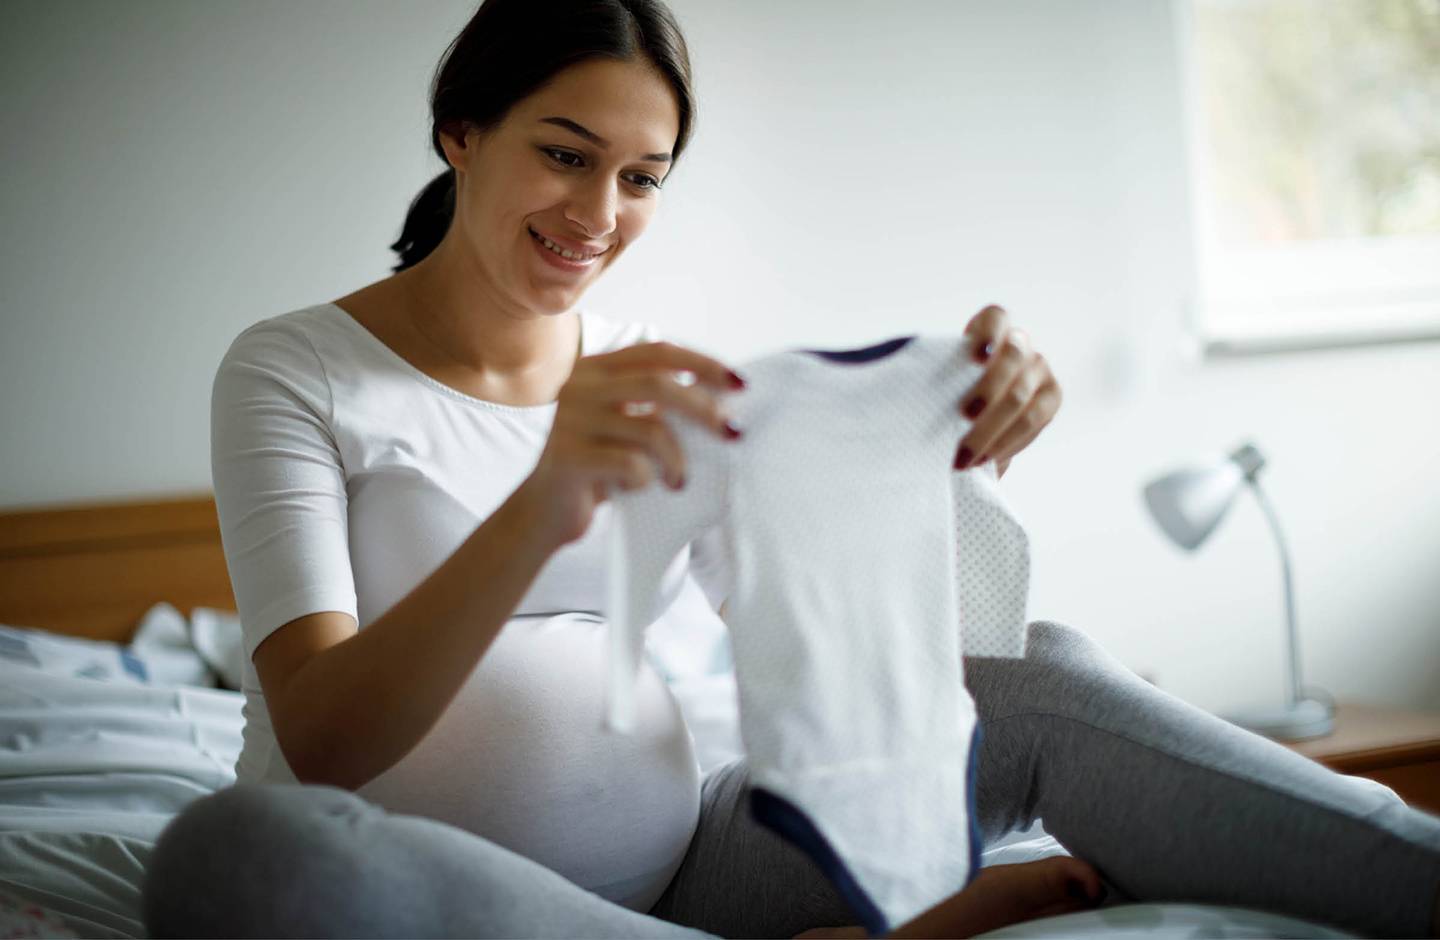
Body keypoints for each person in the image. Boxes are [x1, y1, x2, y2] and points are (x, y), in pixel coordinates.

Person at [141, 1, 1440, 937]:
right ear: (460, 133)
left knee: (1042, 674)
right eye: (564, 151)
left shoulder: (650, 372)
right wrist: (547, 502)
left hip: (703, 864)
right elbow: (320, 737)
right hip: (444, 891)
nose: (600, 214)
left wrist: (963, 441)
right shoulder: (293, 370)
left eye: (642, 175)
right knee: (237, 856)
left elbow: (859, 642)